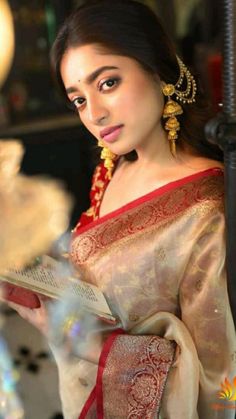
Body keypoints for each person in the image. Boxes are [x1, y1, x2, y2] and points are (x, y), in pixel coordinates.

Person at [8, 1, 236, 418]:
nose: (94, 114)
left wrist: (79, 338)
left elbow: (220, 384)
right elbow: (101, 274)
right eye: (78, 99)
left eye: (108, 83)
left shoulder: (209, 208)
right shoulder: (114, 169)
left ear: (158, 70)